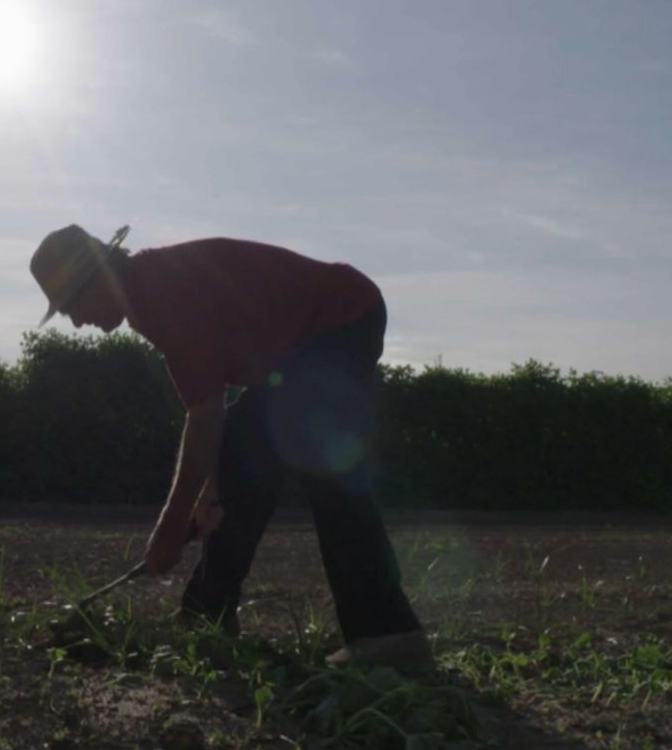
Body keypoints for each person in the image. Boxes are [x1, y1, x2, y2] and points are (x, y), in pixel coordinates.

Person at [29, 224, 430, 669]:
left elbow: (204, 415)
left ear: (99, 278)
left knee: (324, 466)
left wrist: (169, 527)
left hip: (340, 317)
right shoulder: (144, 292)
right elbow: (214, 411)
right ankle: (206, 617)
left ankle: (388, 635)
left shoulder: (160, 293)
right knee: (244, 455)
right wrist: (210, 494)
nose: (77, 321)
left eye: (72, 306)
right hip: (297, 350)